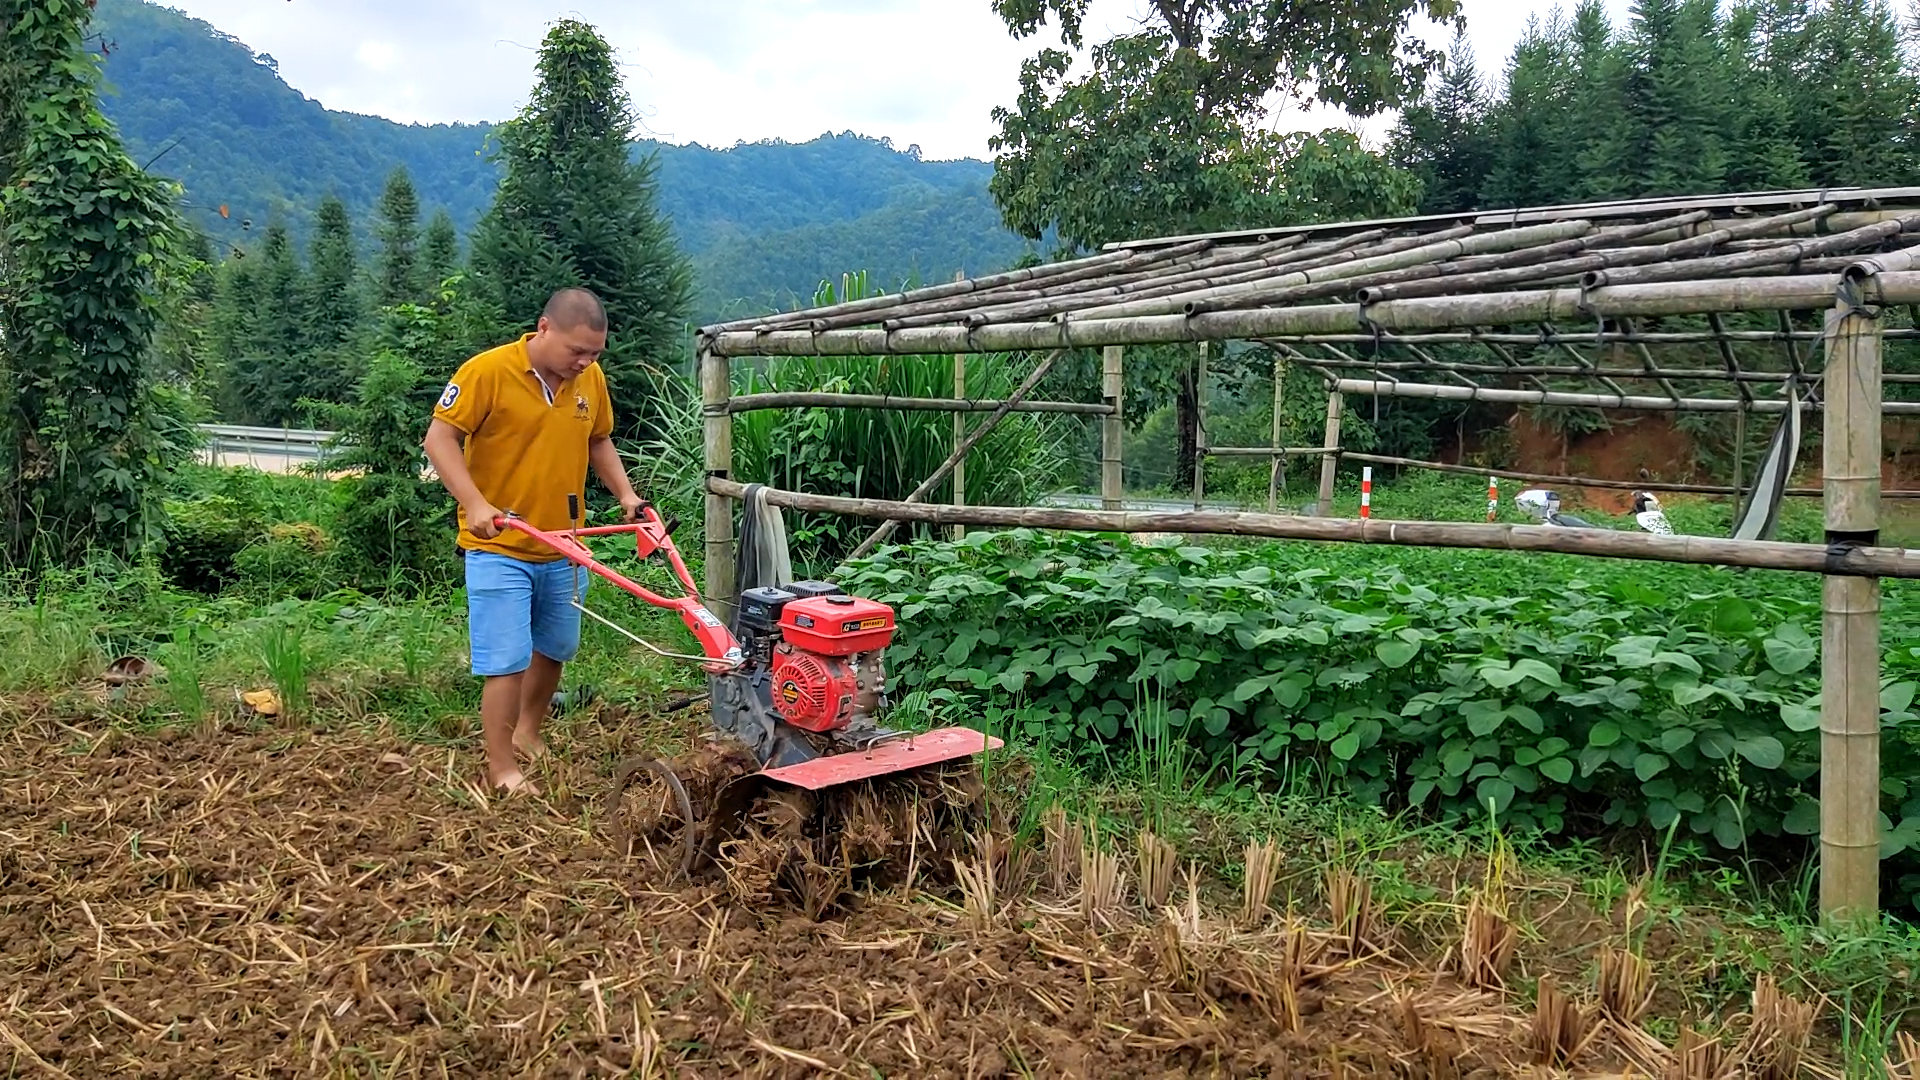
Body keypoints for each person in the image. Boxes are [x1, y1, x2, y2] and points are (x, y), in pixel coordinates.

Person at [422, 287, 644, 795]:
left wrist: (627, 496)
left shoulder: (590, 380)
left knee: (556, 647)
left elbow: (598, 439)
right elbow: (439, 439)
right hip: (500, 545)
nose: (585, 362)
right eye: (576, 351)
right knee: (506, 660)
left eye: (594, 353)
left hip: (565, 545)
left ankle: (527, 732)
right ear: (544, 329)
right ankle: (501, 767)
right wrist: (475, 504)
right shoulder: (487, 372)